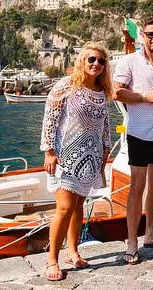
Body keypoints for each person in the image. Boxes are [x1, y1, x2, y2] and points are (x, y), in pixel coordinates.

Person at [40, 43, 113, 281]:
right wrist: (49, 151)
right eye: (92, 59)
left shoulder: (102, 90)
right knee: (63, 208)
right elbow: (50, 118)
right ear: (83, 60)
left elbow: (105, 125)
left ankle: (73, 250)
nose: (96, 64)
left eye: (101, 61)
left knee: (79, 205)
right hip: (65, 154)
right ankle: (52, 259)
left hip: (90, 157)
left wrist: (105, 152)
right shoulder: (67, 85)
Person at [113, 17, 153, 265]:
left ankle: (151, 234)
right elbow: (115, 91)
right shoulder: (129, 62)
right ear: (142, 35)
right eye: (150, 34)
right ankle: (131, 242)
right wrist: (143, 97)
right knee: (136, 188)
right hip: (139, 133)